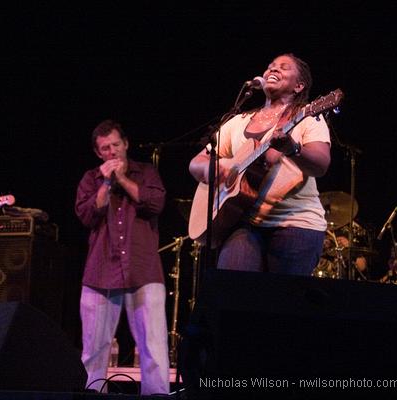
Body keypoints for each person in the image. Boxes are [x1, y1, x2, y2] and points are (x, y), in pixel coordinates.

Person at [189, 53, 331, 275]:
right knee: (232, 295)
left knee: (283, 304)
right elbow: (196, 162)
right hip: (244, 222)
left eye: (283, 68)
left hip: (296, 223)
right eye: (270, 66)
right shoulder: (238, 121)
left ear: (299, 86)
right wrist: (214, 169)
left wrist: (292, 148)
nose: (272, 70)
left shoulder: (307, 116)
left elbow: (320, 165)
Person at [75, 119, 170, 395]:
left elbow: (155, 203)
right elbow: (85, 215)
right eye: (105, 148)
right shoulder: (90, 179)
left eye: (116, 145)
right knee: (93, 350)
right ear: (98, 153)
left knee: (153, 347)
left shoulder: (147, 172)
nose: (112, 152)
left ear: (126, 144)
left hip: (144, 272)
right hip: (99, 273)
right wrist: (106, 182)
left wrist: (122, 180)